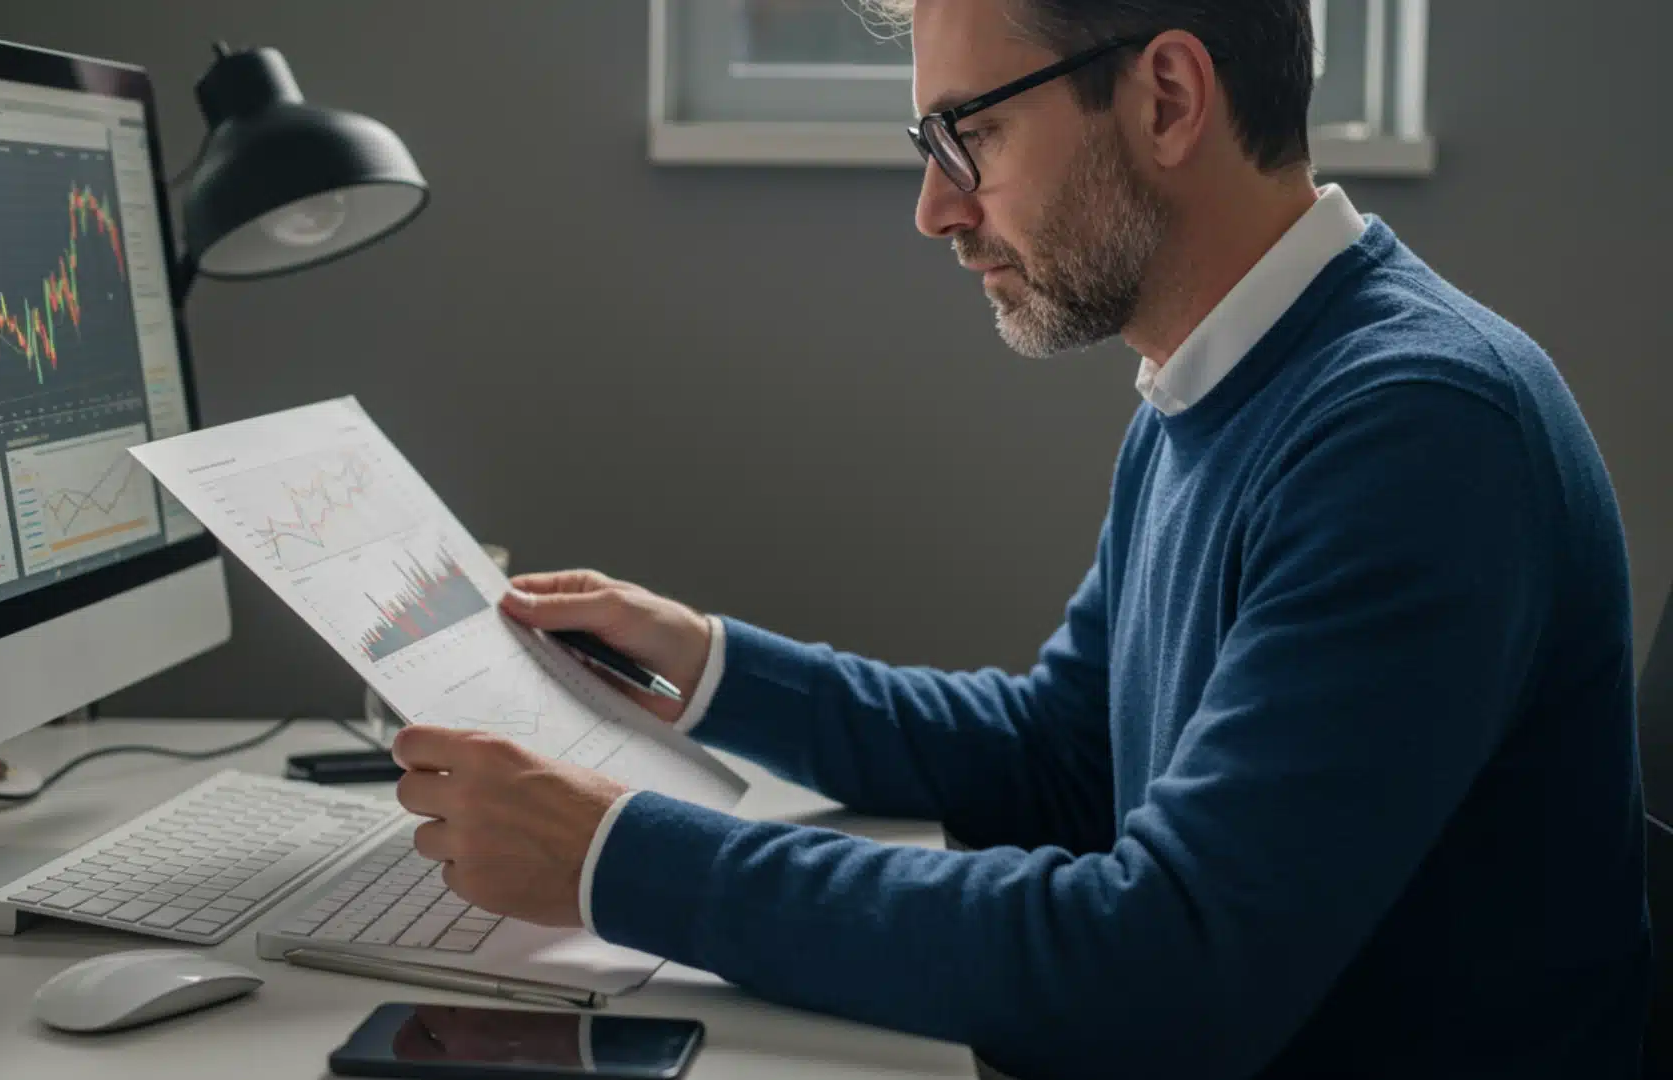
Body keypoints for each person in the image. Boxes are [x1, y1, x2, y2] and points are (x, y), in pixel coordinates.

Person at [388, 0, 1652, 1075]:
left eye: (971, 134)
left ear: (1166, 99)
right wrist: (709, 667)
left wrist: (617, 858)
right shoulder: (1217, 388)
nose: (936, 208)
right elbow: (1060, 755)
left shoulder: (1415, 430)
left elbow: (1171, 966)